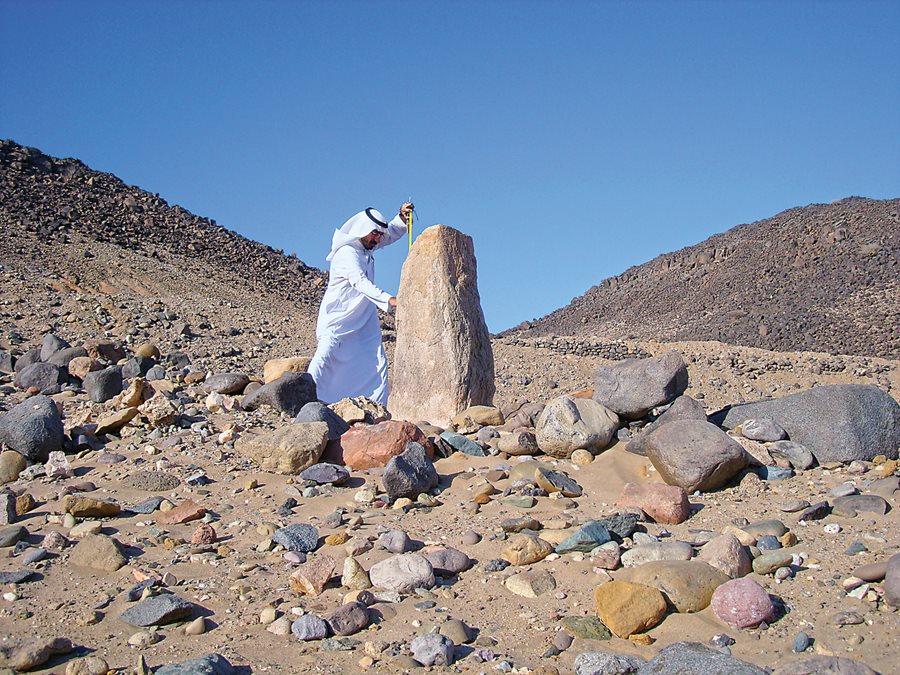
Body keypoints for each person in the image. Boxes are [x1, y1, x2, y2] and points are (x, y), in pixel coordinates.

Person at [307, 202, 413, 406]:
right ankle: (306, 398)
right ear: (362, 230)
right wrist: (389, 300)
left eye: (379, 235)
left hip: (363, 320)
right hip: (338, 317)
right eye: (375, 234)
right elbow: (359, 282)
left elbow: (389, 233)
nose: (378, 239)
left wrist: (401, 217)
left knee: (377, 362)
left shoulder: (367, 246)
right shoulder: (347, 253)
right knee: (326, 356)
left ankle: (377, 409)